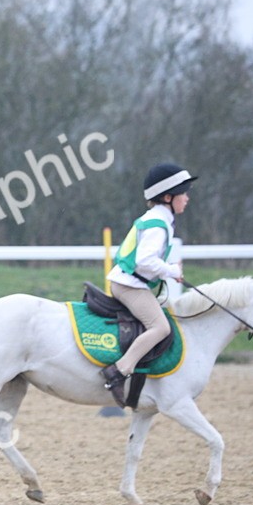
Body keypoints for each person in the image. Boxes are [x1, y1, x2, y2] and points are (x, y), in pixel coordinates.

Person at [100, 163, 197, 407]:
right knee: (161, 327)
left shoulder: (157, 218)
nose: (187, 198)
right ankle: (119, 371)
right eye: (183, 192)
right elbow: (145, 260)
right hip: (129, 285)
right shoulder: (158, 223)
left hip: (129, 282)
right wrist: (172, 270)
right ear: (167, 197)